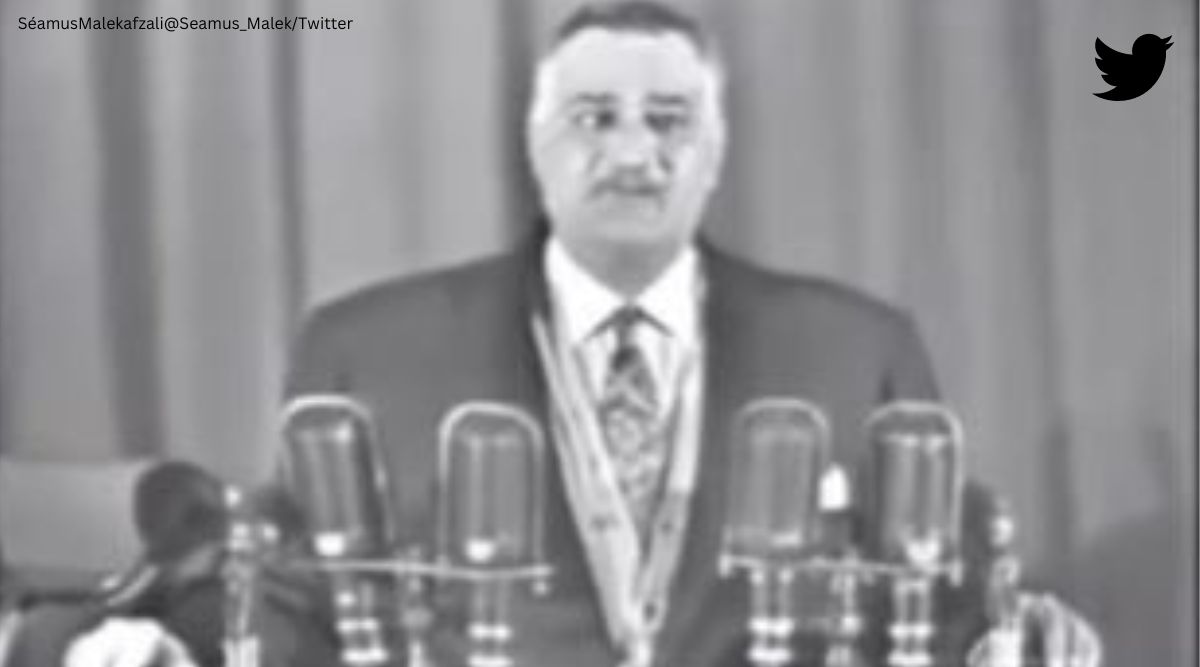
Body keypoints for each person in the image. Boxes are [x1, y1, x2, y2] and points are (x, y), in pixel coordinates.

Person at [18, 2, 1100, 666]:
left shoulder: (855, 348)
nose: (632, 153)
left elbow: (943, 598)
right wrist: (172, 646)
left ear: (715, 156)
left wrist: (1016, 637)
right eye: (593, 118)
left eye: (670, 121)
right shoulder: (368, 349)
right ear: (536, 147)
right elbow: (293, 605)